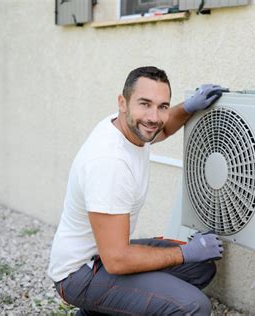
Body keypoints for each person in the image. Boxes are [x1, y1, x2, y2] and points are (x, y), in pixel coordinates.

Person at [48, 66, 227, 315]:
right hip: (80, 273)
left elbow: (161, 129)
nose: (154, 116)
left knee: (200, 266)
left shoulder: (129, 126)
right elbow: (117, 259)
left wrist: (188, 107)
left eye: (162, 106)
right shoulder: (110, 164)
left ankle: (105, 310)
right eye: (145, 104)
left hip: (104, 254)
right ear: (123, 102)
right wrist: (185, 252)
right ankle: (94, 307)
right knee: (193, 306)